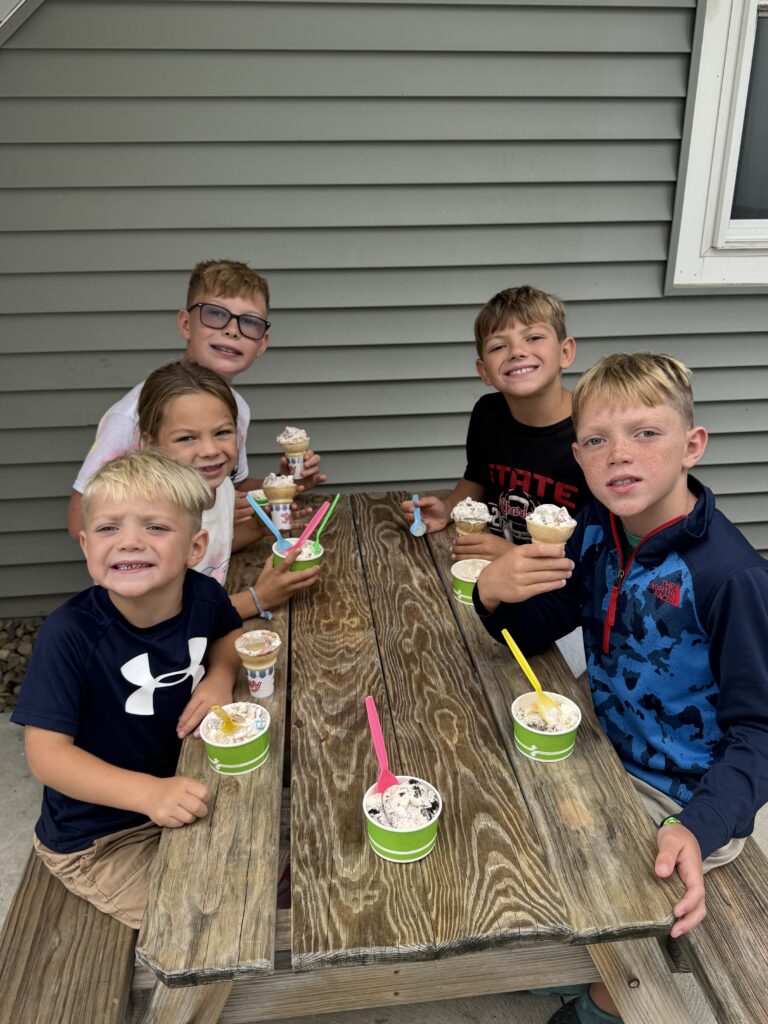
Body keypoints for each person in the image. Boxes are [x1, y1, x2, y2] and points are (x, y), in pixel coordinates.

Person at [473, 353, 768, 1024]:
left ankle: (602, 1000)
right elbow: (540, 627)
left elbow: (760, 732)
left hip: (688, 799)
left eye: (645, 433)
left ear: (692, 445)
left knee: (625, 906)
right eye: (598, 440)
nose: (618, 456)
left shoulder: (732, 578)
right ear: (577, 455)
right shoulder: (597, 534)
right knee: (482, 789)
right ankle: (561, 957)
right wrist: (493, 598)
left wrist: (697, 827)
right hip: (603, 747)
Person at [11, 449, 244, 929]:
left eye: (156, 528)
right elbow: (47, 756)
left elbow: (229, 635)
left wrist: (220, 676)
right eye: (108, 528)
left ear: (195, 547)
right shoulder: (69, 633)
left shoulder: (203, 596)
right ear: (85, 544)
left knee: (259, 850)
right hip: (98, 838)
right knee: (200, 927)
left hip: (179, 782)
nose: (129, 542)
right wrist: (148, 794)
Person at [66, 258, 326, 540]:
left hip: (209, 561)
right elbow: (80, 520)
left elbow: (227, 486)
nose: (232, 330)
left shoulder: (237, 407)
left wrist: (283, 484)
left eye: (249, 322)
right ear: (185, 324)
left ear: (261, 343)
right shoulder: (131, 416)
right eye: (215, 314)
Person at [401, 285, 588, 563]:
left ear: (565, 352)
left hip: (565, 584)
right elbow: (478, 476)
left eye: (534, 337)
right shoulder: (488, 413)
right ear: (484, 371)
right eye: (499, 346)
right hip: (488, 566)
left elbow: (605, 543)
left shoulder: (594, 429)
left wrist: (515, 555)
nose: (517, 352)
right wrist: (449, 508)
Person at [138, 360, 319, 618]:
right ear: (150, 443)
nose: (211, 451)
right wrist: (258, 598)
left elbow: (210, 548)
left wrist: (259, 527)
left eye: (222, 432)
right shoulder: (151, 520)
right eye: (187, 438)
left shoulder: (220, 486)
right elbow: (163, 618)